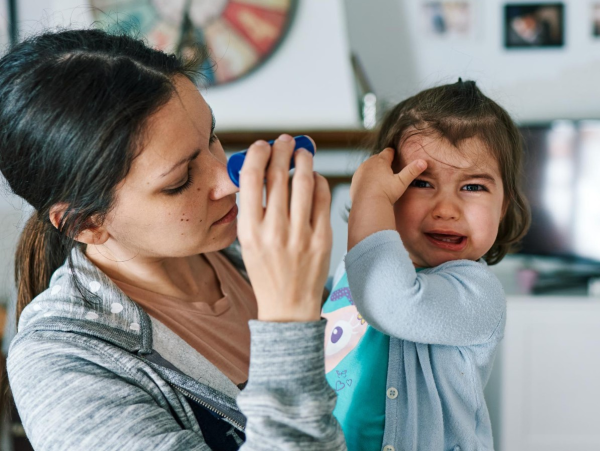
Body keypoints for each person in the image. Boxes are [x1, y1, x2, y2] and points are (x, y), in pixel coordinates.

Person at [0, 29, 346, 450]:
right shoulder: (60, 360)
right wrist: (288, 321)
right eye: (180, 181)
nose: (228, 182)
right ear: (85, 223)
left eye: (212, 138)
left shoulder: (243, 255)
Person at [322, 79, 530, 451]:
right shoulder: (353, 267)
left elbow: (393, 304)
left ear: (504, 204)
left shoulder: (478, 293)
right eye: (420, 182)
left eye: (473, 187)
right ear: (391, 188)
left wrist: (368, 197)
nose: (446, 209)